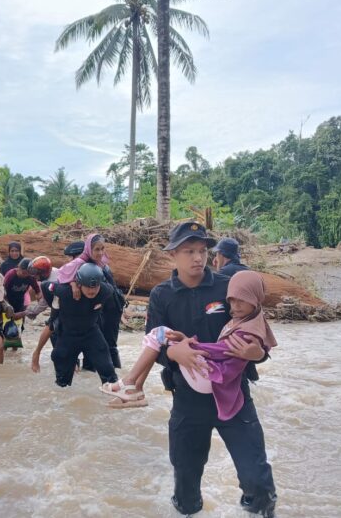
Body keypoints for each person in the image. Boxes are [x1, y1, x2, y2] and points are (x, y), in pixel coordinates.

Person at [144, 221, 276, 517]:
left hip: (234, 396)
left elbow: (256, 332)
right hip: (189, 400)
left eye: (203, 250)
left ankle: (258, 510)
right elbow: (152, 344)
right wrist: (173, 353)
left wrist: (258, 354)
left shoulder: (227, 287)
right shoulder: (161, 296)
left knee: (258, 481)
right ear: (173, 255)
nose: (198, 258)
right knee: (186, 488)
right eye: (189, 251)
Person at [101, 271, 278, 414]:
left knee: (159, 333)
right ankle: (135, 387)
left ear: (255, 299)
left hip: (210, 375)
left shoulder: (246, 331)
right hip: (209, 375)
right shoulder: (249, 320)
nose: (235, 306)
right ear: (173, 253)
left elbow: (222, 351)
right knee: (158, 335)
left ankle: (131, 384)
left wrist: (189, 345)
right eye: (232, 300)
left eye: (242, 300)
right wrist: (182, 345)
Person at [57, 233, 124, 369]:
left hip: (111, 308)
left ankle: (115, 381)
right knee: (94, 346)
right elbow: (61, 277)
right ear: (88, 249)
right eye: (96, 249)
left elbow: (111, 287)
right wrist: (73, 284)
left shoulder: (102, 264)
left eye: (102, 249)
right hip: (96, 310)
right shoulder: (80, 264)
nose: (100, 253)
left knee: (110, 345)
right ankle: (94, 379)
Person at [50, 263, 118, 388]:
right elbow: (47, 286)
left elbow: (111, 288)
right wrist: (71, 283)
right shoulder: (65, 292)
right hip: (68, 335)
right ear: (79, 284)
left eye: (95, 287)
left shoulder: (105, 291)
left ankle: (113, 397)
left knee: (109, 372)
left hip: (91, 333)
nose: (92, 291)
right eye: (88, 287)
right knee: (62, 383)